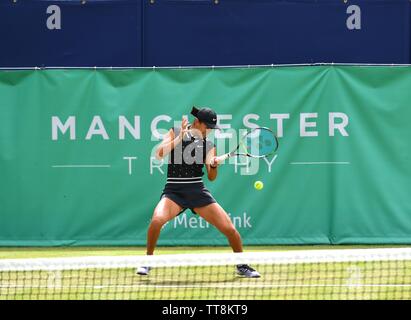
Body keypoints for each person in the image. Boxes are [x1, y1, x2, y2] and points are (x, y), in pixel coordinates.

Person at [137, 106, 260, 278]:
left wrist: (214, 165)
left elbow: (211, 176)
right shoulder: (175, 131)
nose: (209, 130)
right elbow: (159, 153)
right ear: (197, 122)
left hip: (197, 191)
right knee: (157, 221)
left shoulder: (209, 145)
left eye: (212, 128)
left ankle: (242, 265)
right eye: (207, 126)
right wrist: (179, 139)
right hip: (174, 191)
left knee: (230, 229)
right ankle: (148, 262)